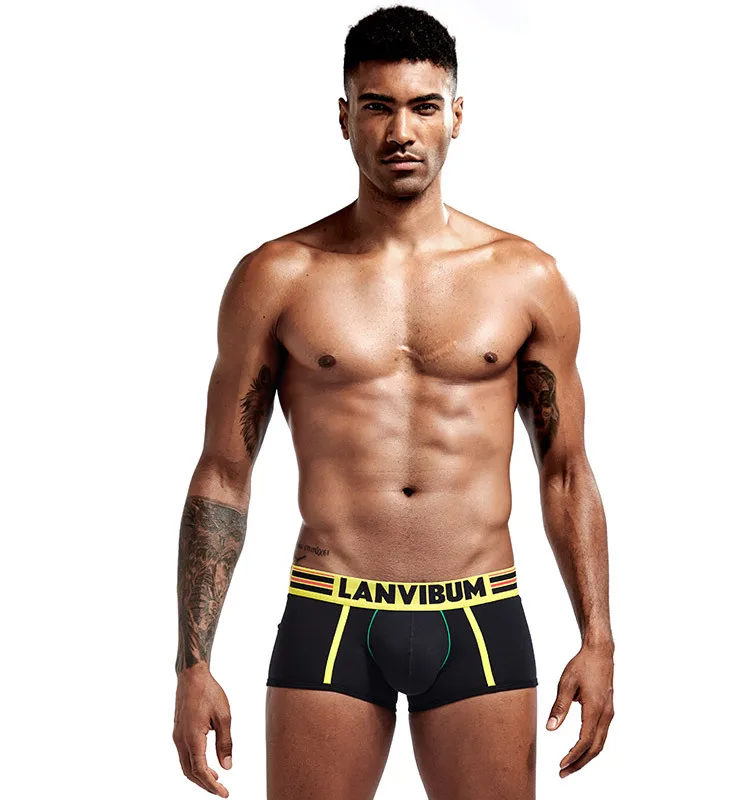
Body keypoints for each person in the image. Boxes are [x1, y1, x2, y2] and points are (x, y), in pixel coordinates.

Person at [172, 5, 614, 798]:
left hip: (480, 613)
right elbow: (224, 472)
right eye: (377, 106)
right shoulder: (279, 277)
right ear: (344, 117)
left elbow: (567, 471)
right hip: (330, 614)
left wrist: (599, 638)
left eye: (423, 106)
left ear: (457, 116)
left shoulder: (525, 278)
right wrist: (193, 664)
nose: (401, 131)